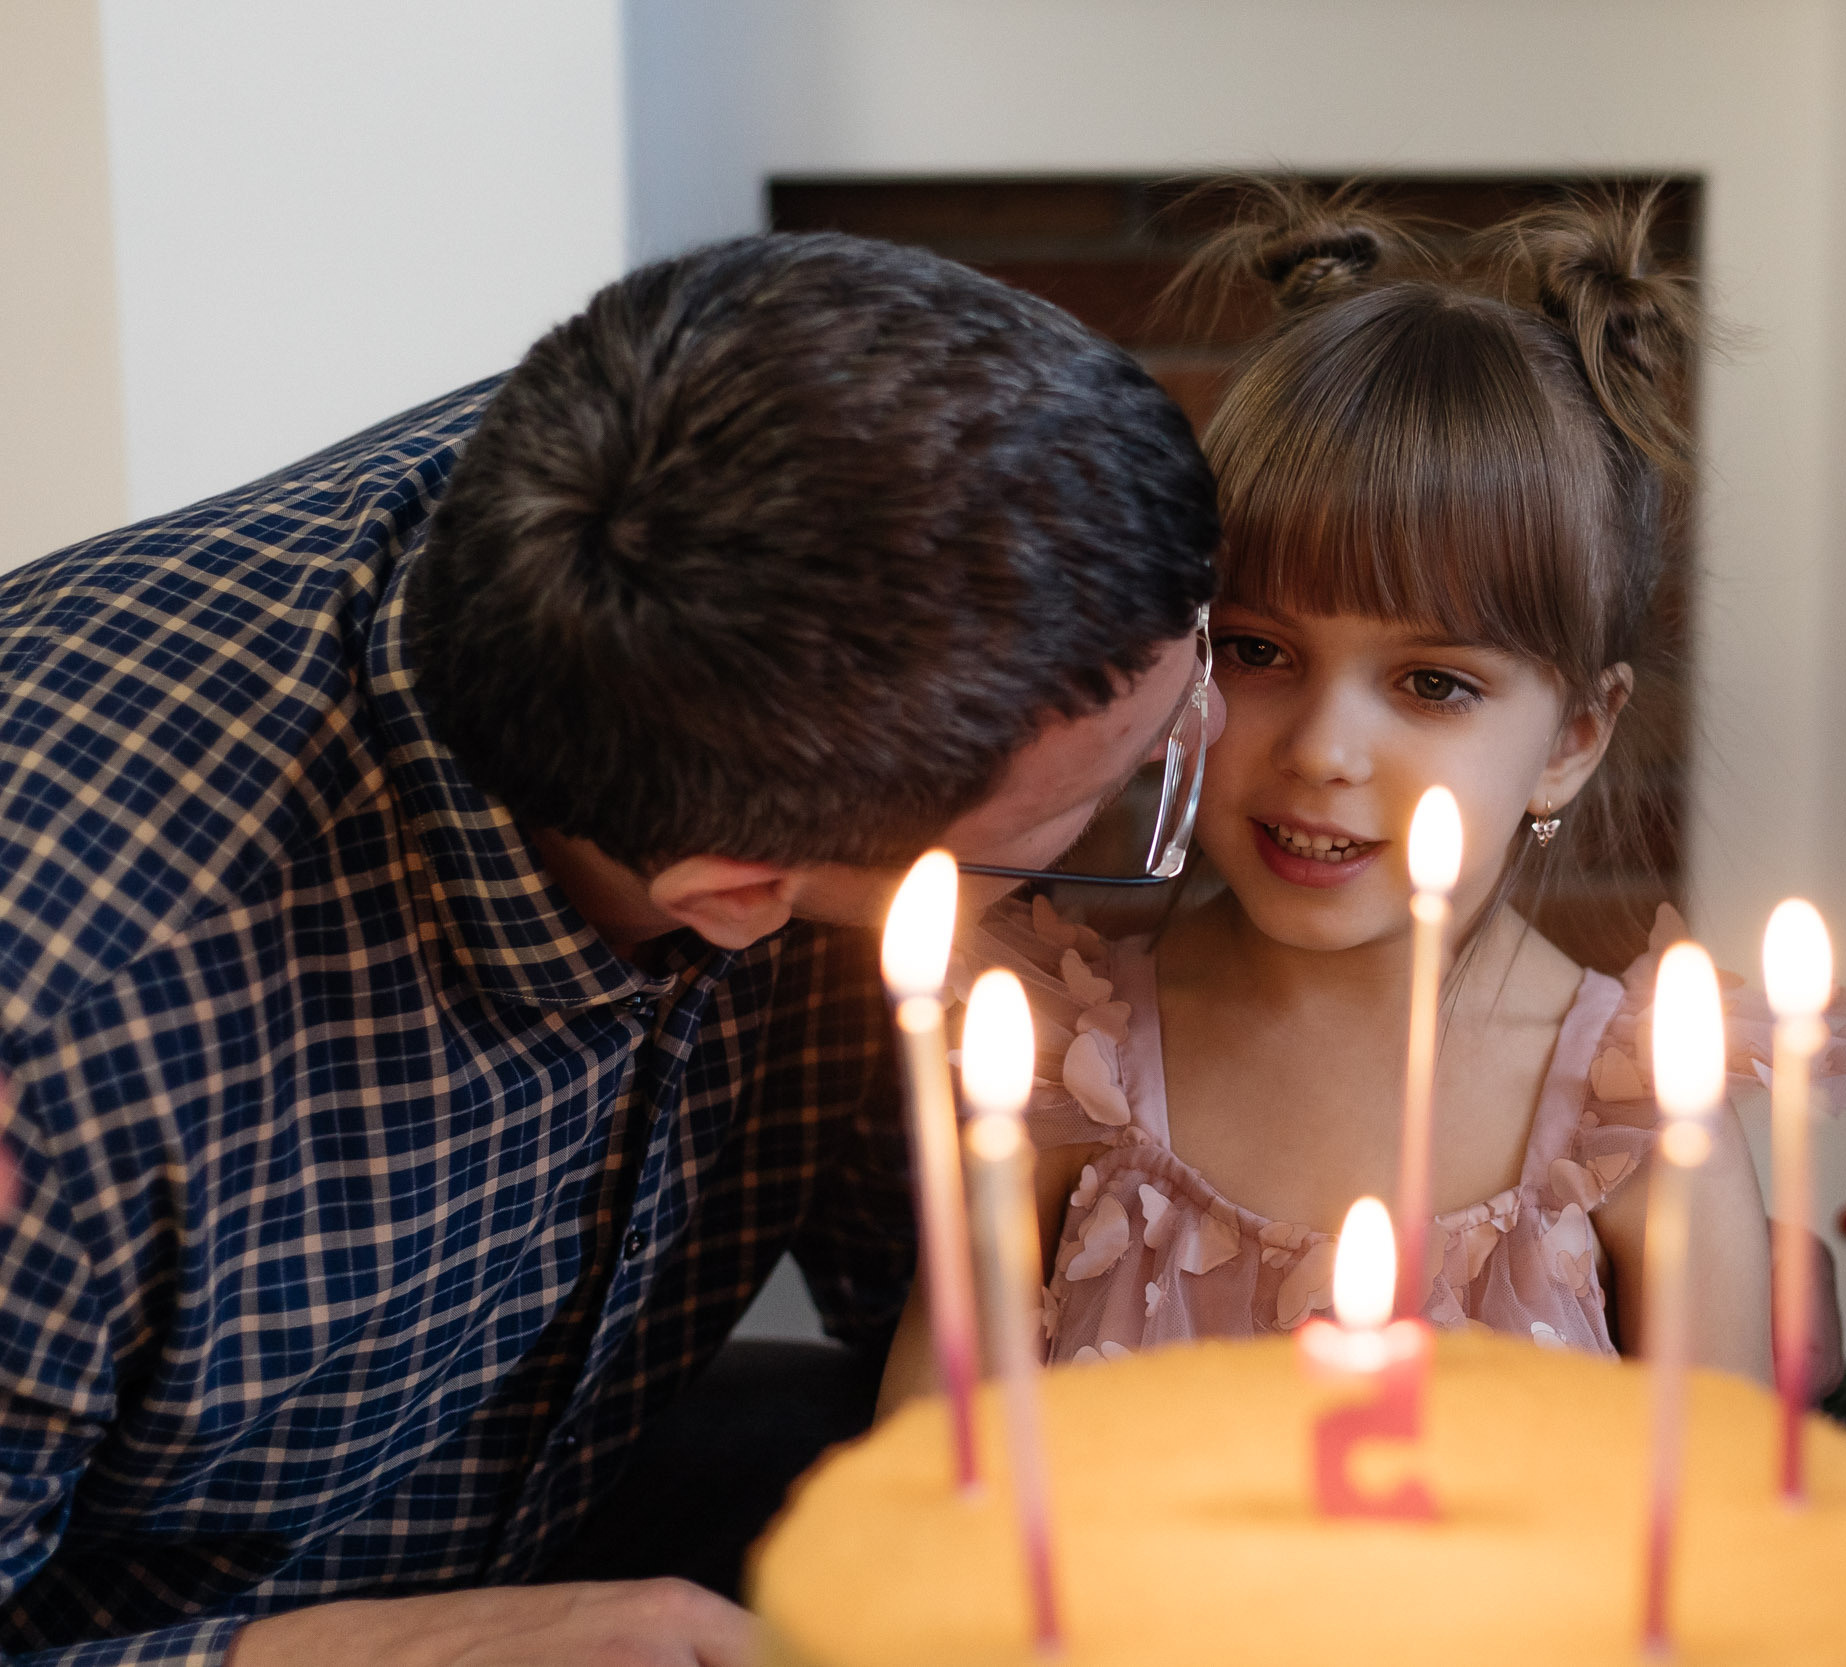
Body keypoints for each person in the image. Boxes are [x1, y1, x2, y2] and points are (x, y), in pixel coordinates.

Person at [0, 233, 1221, 1666]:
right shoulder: (72, 1040)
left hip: (573, 1483)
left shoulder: (729, 508)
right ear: (737, 892)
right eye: (1100, 798)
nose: (1199, 758)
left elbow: (949, 1291)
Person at [882, 189, 1846, 1398]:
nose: (1324, 748)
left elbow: (1725, 1544)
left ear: (1576, 734)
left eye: (1432, 682)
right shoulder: (1064, 1066)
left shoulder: (1644, 1113)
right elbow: (916, 1496)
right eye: (1256, 650)